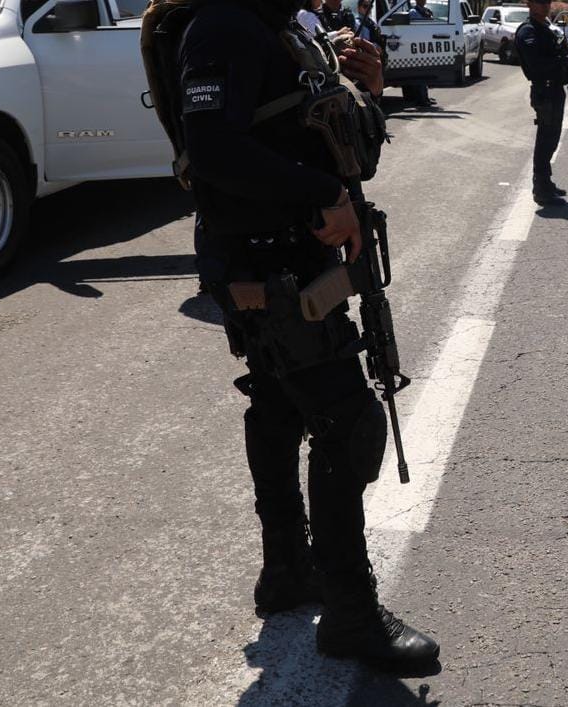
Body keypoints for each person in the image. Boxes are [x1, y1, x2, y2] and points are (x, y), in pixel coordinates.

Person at [179, 0, 439, 670]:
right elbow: (210, 147)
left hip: (297, 260)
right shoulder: (224, 25)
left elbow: (347, 155)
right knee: (346, 419)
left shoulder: (289, 30)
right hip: (266, 268)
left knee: (276, 406)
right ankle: (351, 612)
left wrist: (370, 91)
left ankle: (288, 568)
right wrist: (323, 195)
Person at [514, 0, 568, 206]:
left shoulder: (545, 27)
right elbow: (537, 65)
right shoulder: (528, 32)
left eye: (547, 2)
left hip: (553, 89)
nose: (545, 6)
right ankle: (541, 189)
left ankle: (546, 182)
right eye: (540, 2)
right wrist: (560, 62)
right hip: (544, 90)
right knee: (546, 139)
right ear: (531, 5)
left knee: (552, 137)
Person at [404, 0, 435, 107]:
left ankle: (424, 97)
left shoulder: (426, 12)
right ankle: (421, 99)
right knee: (419, 72)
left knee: (424, 72)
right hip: (416, 46)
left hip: (426, 45)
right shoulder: (413, 12)